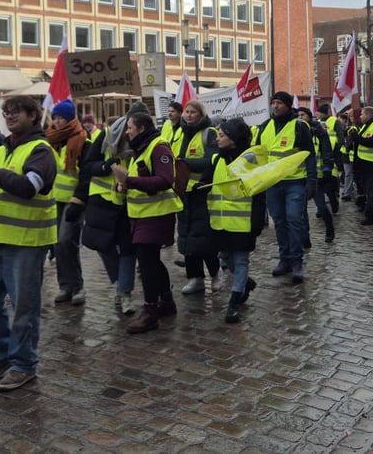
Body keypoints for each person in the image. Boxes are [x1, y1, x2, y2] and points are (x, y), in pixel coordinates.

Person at [0, 95, 58, 392]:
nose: (9, 116)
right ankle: (4, 354)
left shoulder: (41, 150)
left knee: (24, 307)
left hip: (27, 242)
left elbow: (28, 187)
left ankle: (24, 364)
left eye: (16, 111)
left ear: (33, 115)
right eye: (6, 112)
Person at [111, 111, 183, 333]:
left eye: (130, 127)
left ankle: (150, 311)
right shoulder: (139, 149)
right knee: (150, 260)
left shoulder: (158, 147)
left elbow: (165, 180)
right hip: (141, 215)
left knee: (146, 261)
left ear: (141, 128)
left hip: (157, 214)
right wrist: (121, 185)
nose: (127, 132)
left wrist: (129, 181)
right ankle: (167, 301)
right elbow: (137, 180)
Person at [204, 118, 266, 323]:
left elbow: (258, 194)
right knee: (226, 260)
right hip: (220, 222)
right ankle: (245, 282)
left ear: (234, 138)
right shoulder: (216, 159)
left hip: (243, 222)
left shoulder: (251, 160)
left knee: (240, 260)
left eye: (222, 135)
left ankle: (234, 302)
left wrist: (257, 221)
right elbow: (206, 182)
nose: (217, 139)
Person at [83, 106, 142, 315]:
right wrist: (105, 166)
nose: (129, 132)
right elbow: (87, 165)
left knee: (128, 250)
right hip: (102, 202)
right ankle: (120, 281)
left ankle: (125, 293)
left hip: (129, 203)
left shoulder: (143, 142)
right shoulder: (106, 137)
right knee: (102, 245)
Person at [259, 92, 316, 283]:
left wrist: (311, 181)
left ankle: (297, 261)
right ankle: (285, 260)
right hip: (272, 183)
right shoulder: (265, 126)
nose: (275, 106)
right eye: (273, 102)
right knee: (280, 222)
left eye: (279, 103)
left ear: (289, 105)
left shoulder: (299, 126)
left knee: (294, 220)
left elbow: (309, 154)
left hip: (295, 182)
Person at [174, 100, 223, 294]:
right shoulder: (179, 133)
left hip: (202, 192)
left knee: (203, 238)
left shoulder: (209, 133)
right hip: (182, 192)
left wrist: (185, 163)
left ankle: (215, 272)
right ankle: (195, 278)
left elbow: (212, 159)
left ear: (201, 115)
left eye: (193, 112)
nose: (188, 115)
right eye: (186, 111)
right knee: (186, 236)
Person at [46, 99, 92, 306]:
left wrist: (79, 199)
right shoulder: (50, 139)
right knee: (57, 245)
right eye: (54, 118)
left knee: (67, 241)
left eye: (61, 118)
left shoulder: (82, 139)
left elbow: (86, 174)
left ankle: (78, 286)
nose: (56, 122)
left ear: (71, 118)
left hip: (73, 201)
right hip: (53, 201)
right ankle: (65, 286)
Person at [299, 107, 337, 242]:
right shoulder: (296, 132)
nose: (300, 117)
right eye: (298, 115)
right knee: (301, 210)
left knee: (321, 206)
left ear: (309, 116)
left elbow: (327, 151)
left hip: (317, 177)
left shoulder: (319, 132)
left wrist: (327, 169)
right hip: (300, 176)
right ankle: (305, 238)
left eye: (303, 115)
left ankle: (329, 228)